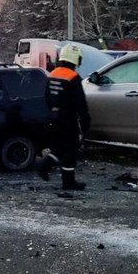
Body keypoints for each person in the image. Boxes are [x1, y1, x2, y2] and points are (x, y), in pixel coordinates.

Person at [37, 43, 91, 190]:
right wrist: (85, 122)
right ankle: (68, 182)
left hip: (54, 118)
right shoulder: (73, 77)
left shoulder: (52, 74)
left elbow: (47, 97)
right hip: (68, 119)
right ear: (75, 59)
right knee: (71, 149)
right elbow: (80, 103)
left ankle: (44, 166)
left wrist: (52, 113)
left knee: (59, 148)